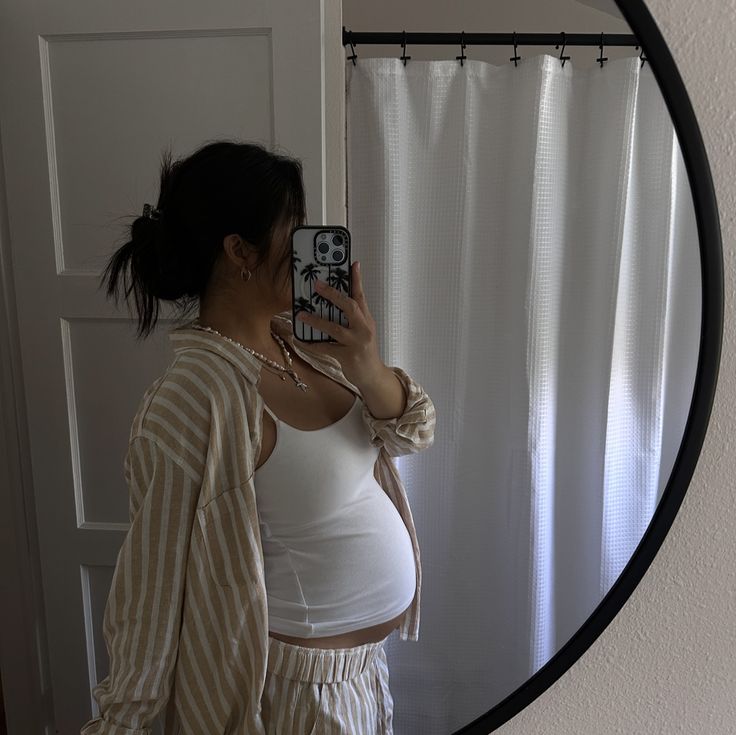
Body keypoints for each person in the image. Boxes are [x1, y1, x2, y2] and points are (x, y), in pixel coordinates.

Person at [80, 140, 436, 734]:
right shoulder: (188, 402)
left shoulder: (306, 347)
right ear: (239, 251)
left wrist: (367, 363)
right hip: (293, 700)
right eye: (291, 228)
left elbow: (413, 432)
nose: (305, 246)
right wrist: (121, 725)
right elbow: (151, 595)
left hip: (364, 676)